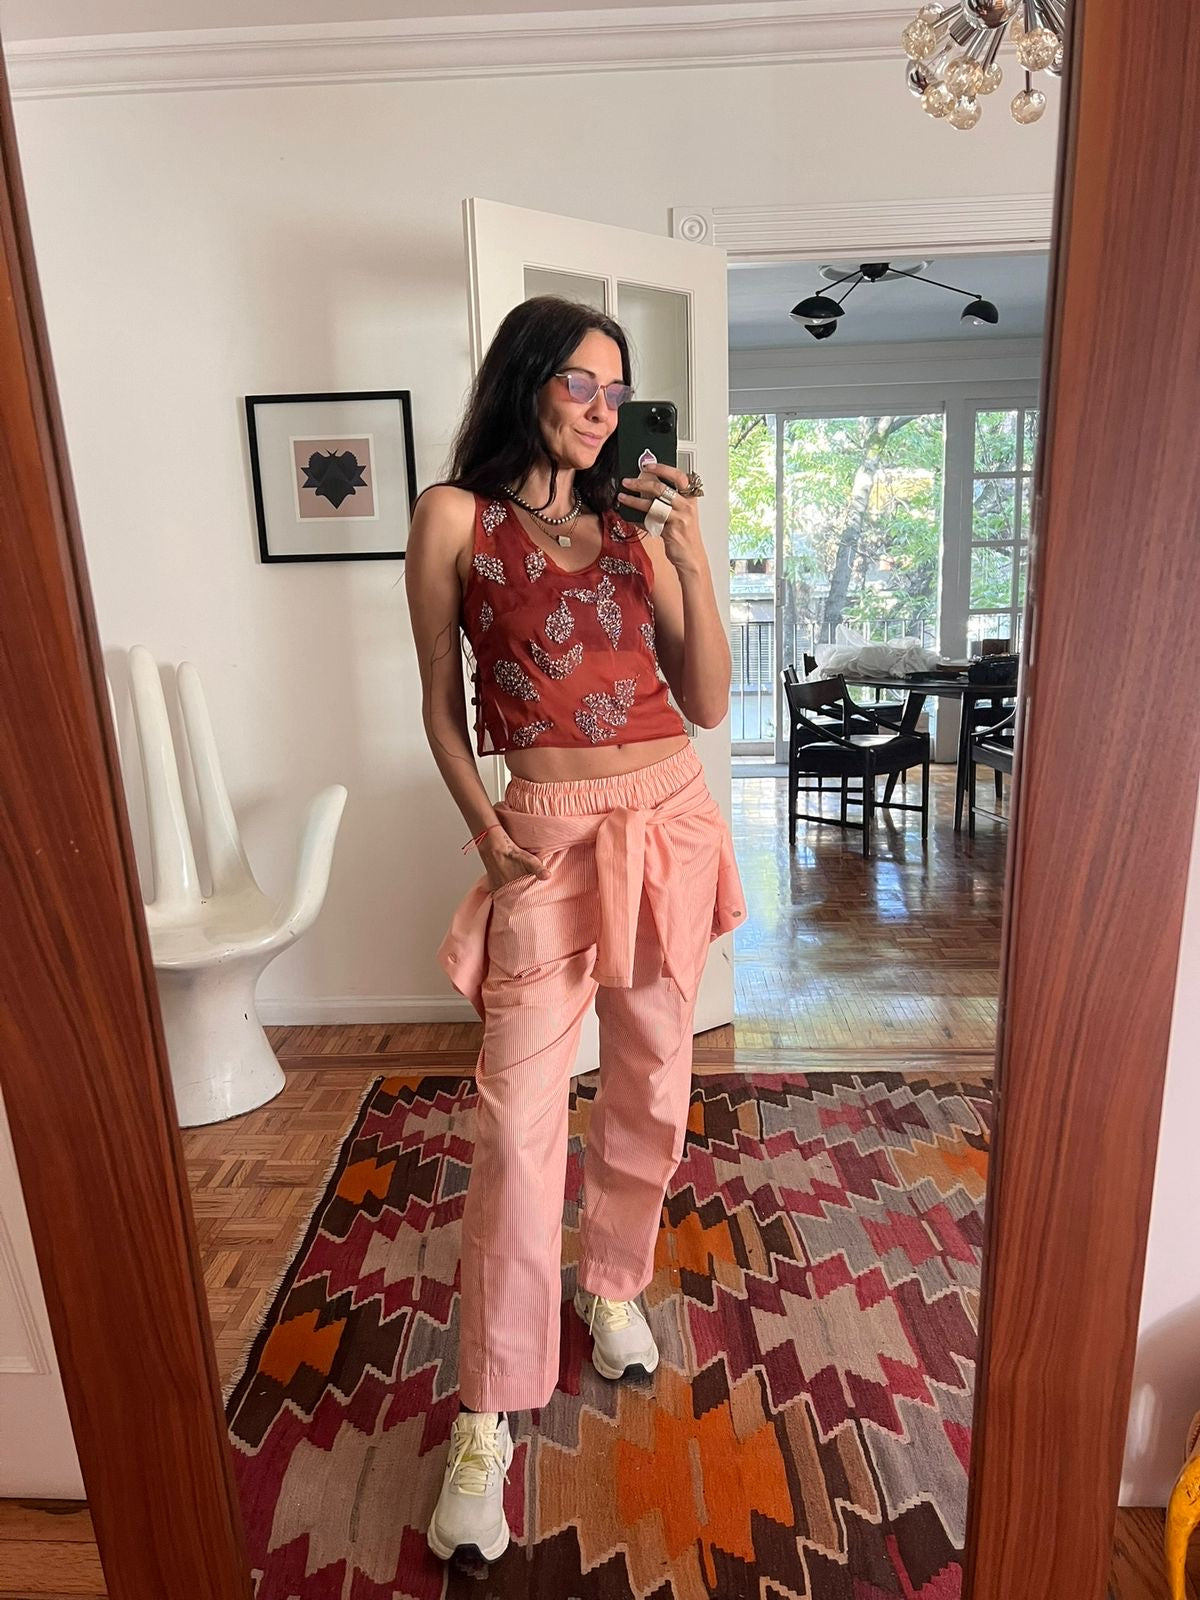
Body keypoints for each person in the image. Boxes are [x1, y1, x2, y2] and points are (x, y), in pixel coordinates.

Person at [404, 295, 746, 1564]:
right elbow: (440, 706)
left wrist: (691, 555)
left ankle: (609, 1285)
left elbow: (706, 699)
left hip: (668, 813)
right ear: (528, 380)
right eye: (580, 384)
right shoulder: (455, 518)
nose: (603, 410)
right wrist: (487, 832)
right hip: (544, 833)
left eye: (617, 389)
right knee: (516, 1127)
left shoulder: (634, 525)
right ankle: (487, 1411)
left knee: (652, 1081)